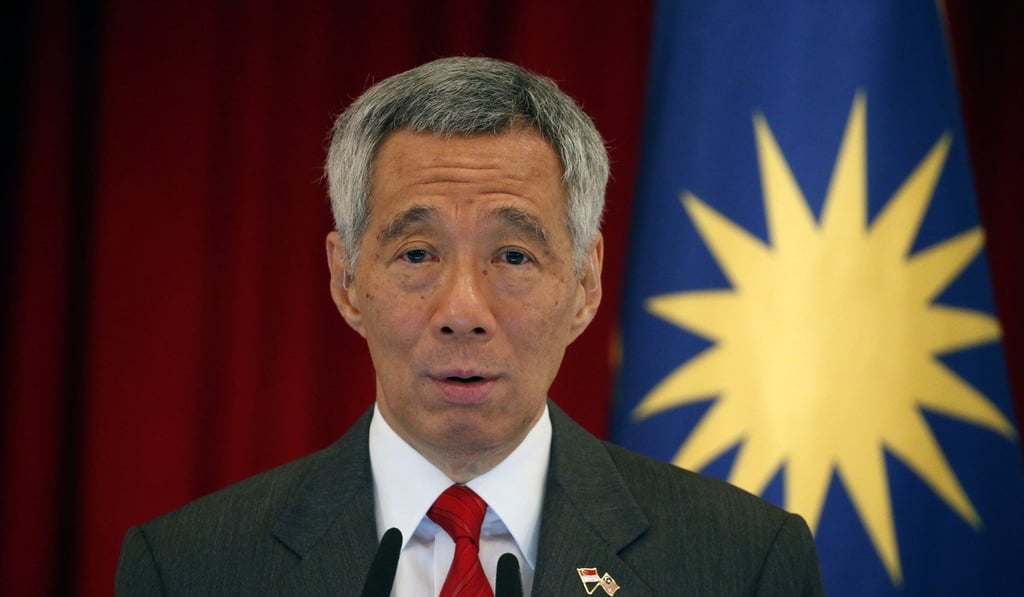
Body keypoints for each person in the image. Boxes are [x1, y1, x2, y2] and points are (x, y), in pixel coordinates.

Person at [115, 56, 825, 596]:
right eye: (418, 253)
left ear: (584, 282)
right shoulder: (189, 568)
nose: (463, 312)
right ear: (345, 280)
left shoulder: (742, 561)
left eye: (513, 255)